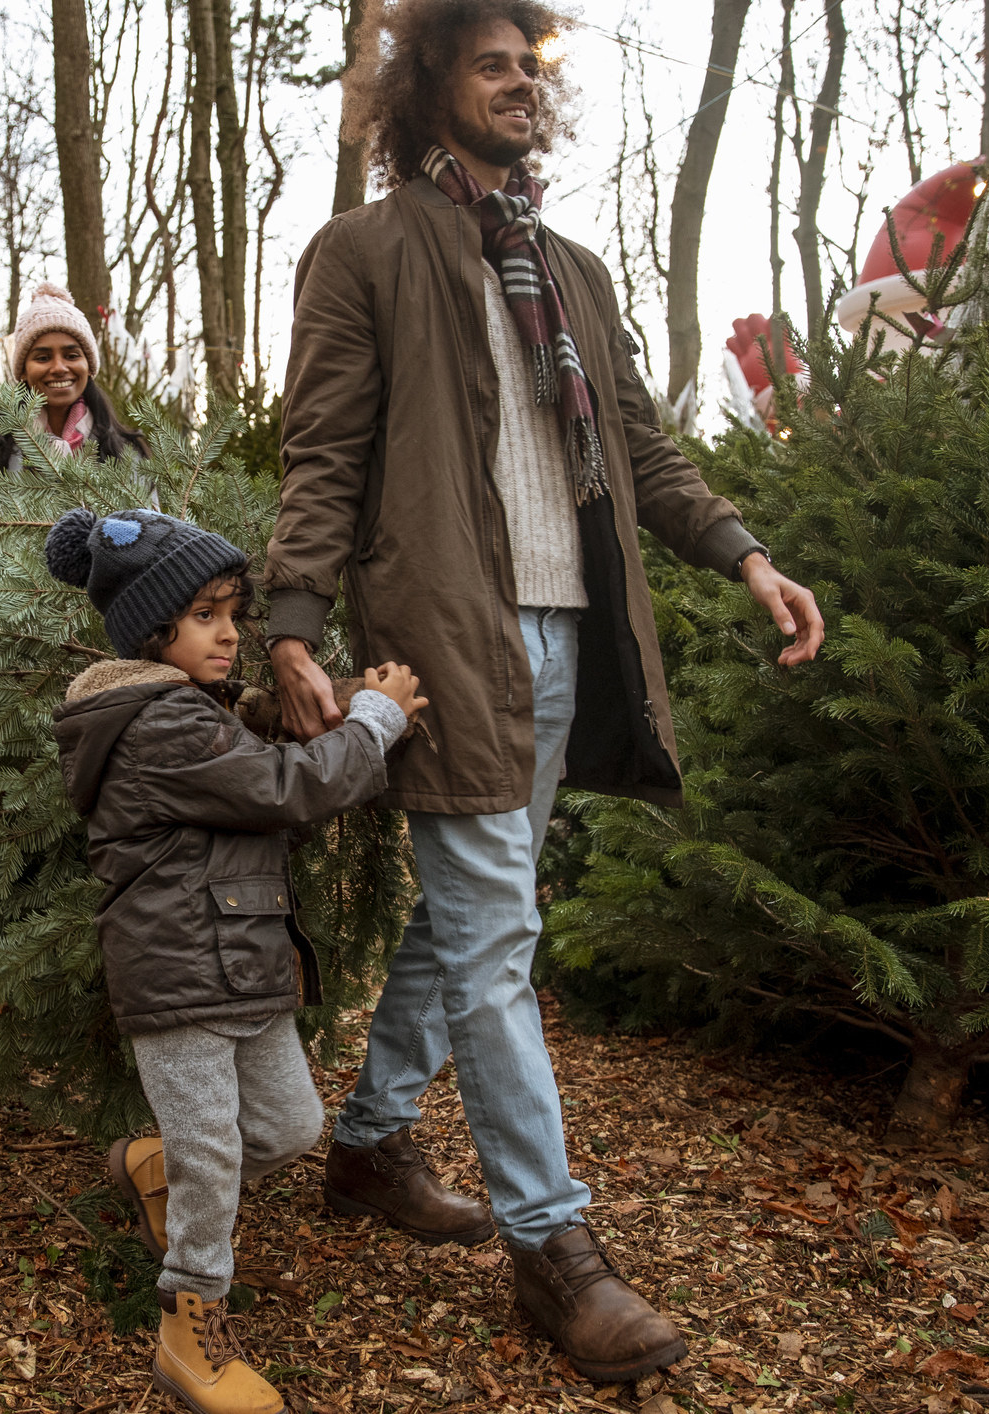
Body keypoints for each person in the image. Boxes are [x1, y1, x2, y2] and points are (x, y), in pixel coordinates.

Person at [263, 0, 826, 1381]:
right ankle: (554, 1249)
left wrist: (745, 554)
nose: (519, 85)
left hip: (572, 632)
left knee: (475, 911)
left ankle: (374, 1143)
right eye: (492, 64)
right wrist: (292, 624)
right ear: (432, 86)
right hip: (447, 636)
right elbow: (323, 451)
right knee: (497, 929)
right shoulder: (365, 250)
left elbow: (638, 444)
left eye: (532, 68)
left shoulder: (566, 263)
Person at [46, 507, 424, 1414]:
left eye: (233, 613)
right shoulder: (156, 722)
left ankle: (153, 1163)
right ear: (152, 629)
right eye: (206, 616)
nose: (229, 633)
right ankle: (190, 1326)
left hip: (240, 962)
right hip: (179, 976)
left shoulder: (194, 711)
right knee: (213, 1155)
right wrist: (373, 719)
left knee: (289, 1128)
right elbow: (283, 789)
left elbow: (254, 754)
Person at [0, 281, 151, 498]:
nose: (59, 368)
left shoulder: (126, 452)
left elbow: (151, 529)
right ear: (23, 371)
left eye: (72, 356)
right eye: (43, 358)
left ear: (89, 367)